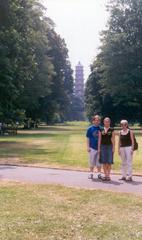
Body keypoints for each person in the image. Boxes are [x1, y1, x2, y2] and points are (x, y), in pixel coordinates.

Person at [86, 115, 102, 179]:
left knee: (99, 162)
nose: (97, 121)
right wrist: (88, 147)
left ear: (99, 121)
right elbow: (88, 138)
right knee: (91, 161)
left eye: (98, 120)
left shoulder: (101, 129)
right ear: (93, 121)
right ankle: (91, 174)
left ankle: (99, 174)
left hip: (99, 148)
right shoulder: (90, 129)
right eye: (96, 120)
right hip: (92, 147)